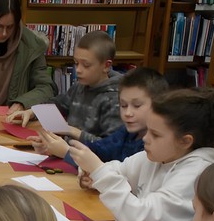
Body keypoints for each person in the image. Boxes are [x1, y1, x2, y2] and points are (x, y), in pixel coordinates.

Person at [69, 88, 214, 221]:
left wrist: (98, 171)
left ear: (185, 141)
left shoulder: (198, 173)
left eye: (155, 134)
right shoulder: (160, 155)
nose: (146, 138)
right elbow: (118, 169)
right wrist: (93, 175)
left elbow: (138, 216)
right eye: (147, 130)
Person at [30, 67, 168, 167]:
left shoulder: (152, 147)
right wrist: (52, 146)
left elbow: (115, 175)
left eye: (137, 106)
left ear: (159, 105)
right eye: (123, 105)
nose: (128, 113)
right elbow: (96, 150)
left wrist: (65, 152)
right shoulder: (125, 132)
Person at [8, 30, 122, 133]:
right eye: (76, 63)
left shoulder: (115, 100)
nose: (78, 70)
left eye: (86, 65)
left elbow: (110, 147)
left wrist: (71, 133)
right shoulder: (79, 87)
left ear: (106, 66)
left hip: (87, 155)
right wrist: (31, 112)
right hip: (67, 151)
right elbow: (58, 103)